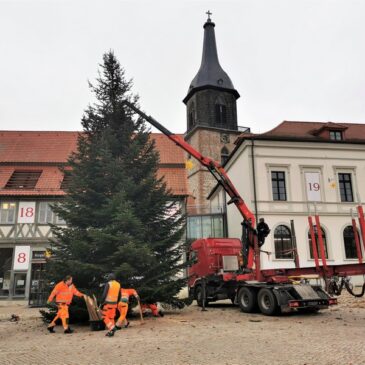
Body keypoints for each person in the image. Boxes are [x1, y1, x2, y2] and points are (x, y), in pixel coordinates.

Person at [100, 273, 121, 337]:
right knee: (111, 318)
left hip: (108, 304)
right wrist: (117, 302)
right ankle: (111, 332)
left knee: (104, 317)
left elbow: (104, 294)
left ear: (109, 278)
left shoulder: (108, 284)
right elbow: (120, 295)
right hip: (114, 304)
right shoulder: (118, 284)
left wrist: (101, 302)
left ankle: (112, 328)